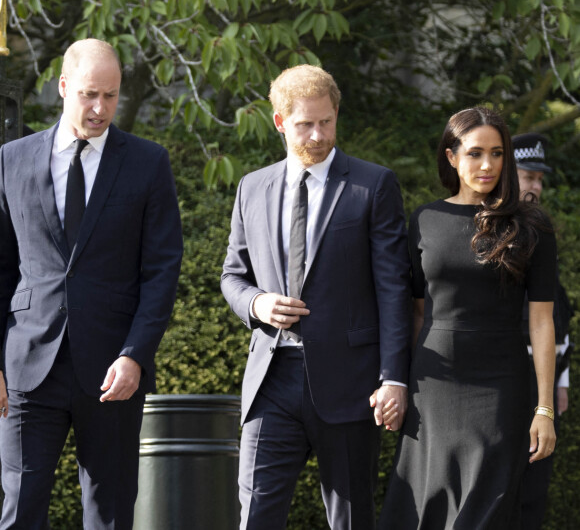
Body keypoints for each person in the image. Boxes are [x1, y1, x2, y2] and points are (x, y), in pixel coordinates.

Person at [0, 38, 183, 529]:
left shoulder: (148, 163)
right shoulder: (10, 160)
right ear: (62, 88)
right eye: (88, 94)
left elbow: (162, 270)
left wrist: (135, 355)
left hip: (113, 372)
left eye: (111, 95)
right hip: (26, 368)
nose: (100, 108)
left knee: (110, 513)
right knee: (17, 510)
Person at [221, 64, 411, 529]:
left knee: (351, 519)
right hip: (271, 378)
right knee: (256, 516)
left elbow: (393, 288)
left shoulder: (374, 185)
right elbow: (232, 276)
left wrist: (394, 378)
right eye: (306, 124)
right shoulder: (252, 187)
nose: (319, 134)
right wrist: (257, 304)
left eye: (327, 122)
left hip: (352, 383)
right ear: (280, 121)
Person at [379, 107, 557, 529]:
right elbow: (417, 310)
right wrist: (401, 385)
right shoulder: (425, 219)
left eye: (497, 153)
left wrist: (544, 409)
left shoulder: (531, 225)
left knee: (486, 509)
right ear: (451, 156)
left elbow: (542, 322)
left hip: (501, 388)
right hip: (433, 389)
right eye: (475, 153)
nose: (487, 165)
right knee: (428, 509)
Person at [513, 132, 574, 529]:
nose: (534, 186)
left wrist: (560, 384)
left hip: (540, 391)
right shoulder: (482, 228)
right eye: (527, 176)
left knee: (531, 497)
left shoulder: (541, 234)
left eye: (539, 179)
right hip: (497, 384)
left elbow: (559, 318)